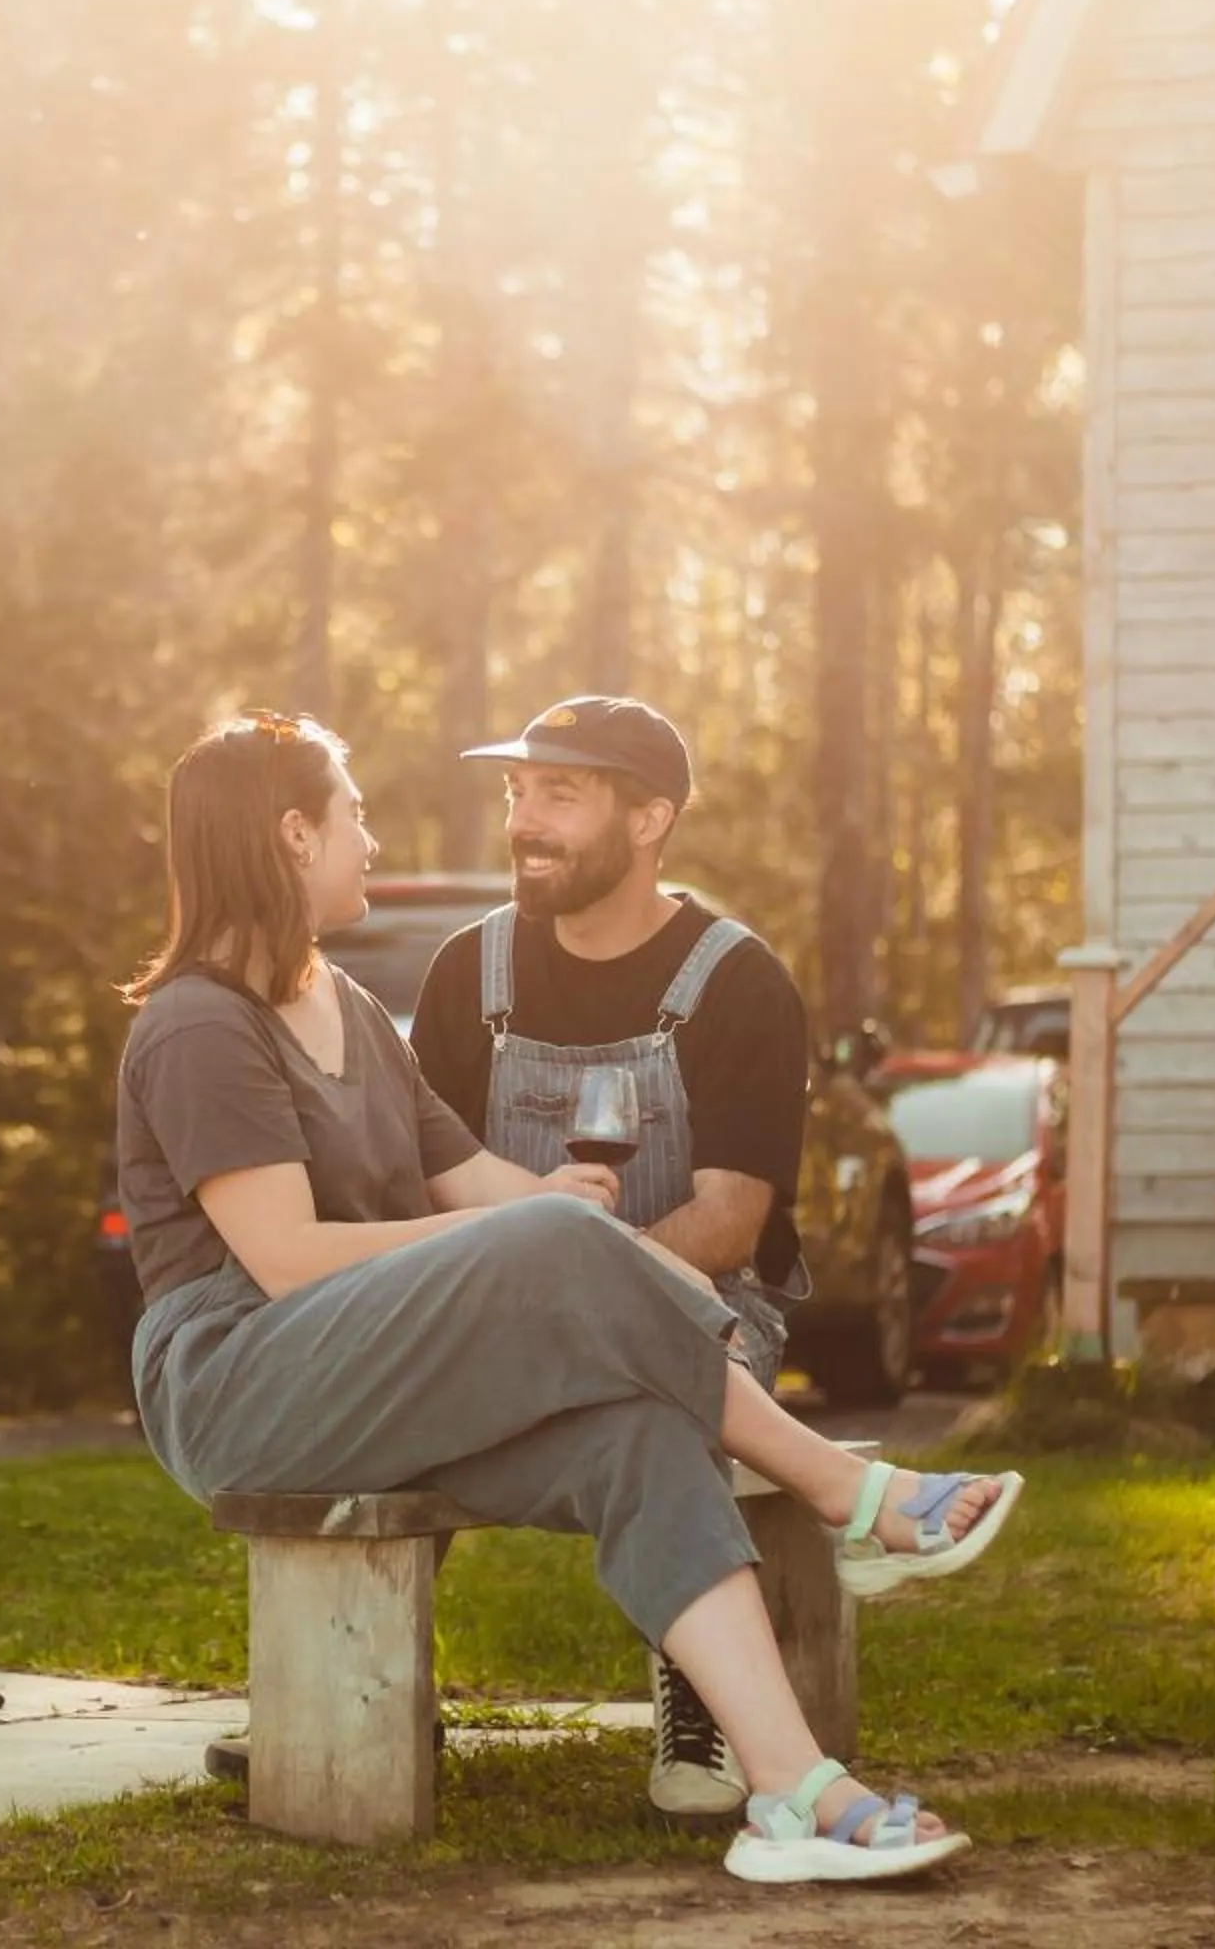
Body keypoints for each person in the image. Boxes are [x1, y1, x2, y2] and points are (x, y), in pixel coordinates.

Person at [117, 710, 1024, 1885]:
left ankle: (793, 1788)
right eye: (355, 814)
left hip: (366, 1369)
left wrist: (563, 1221)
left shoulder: (347, 1005)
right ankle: (845, 1490)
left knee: (637, 1431)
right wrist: (540, 1231)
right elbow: (285, 1255)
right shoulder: (197, 1023)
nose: (371, 839)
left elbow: (479, 1181)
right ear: (293, 834)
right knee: (552, 1233)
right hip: (240, 1382)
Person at [407, 695, 808, 1826]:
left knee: (663, 1396)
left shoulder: (738, 981)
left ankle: (701, 1701)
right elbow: (417, 1181)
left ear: (650, 819)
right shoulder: (466, 972)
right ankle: (367, 1677)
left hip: (701, 1301)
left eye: (561, 793)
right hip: (497, 1297)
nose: (524, 819)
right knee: (392, 1381)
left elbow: (730, 1221)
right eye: (517, 791)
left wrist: (585, 1287)